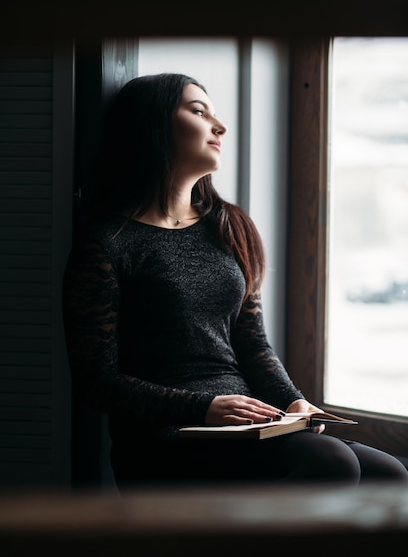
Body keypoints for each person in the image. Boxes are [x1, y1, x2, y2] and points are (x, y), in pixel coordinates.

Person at [62, 72, 408, 489]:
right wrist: (204, 407)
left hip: (247, 422)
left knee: (390, 475)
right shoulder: (107, 245)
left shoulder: (229, 226)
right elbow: (96, 383)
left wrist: (292, 401)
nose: (219, 126)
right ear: (152, 124)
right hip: (166, 436)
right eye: (198, 111)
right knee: (333, 463)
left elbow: (253, 344)